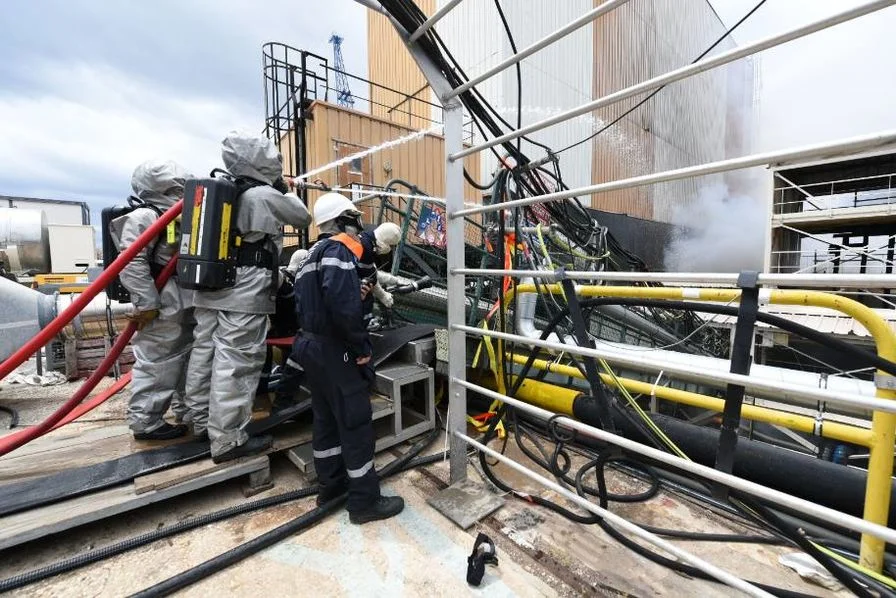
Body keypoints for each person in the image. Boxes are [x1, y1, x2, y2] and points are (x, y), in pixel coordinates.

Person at [184, 131, 311, 463]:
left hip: (210, 286)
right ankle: (228, 439)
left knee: (205, 353)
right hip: (244, 290)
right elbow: (302, 217)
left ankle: (200, 421)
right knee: (237, 361)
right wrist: (283, 188)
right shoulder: (263, 195)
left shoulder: (222, 192)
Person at [291, 192, 404, 524]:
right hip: (334, 348)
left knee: (326, 420)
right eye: (354, 221)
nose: (359, 229)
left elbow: (315, 302)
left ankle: (331, 488)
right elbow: (342, 307)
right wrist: (361, 349)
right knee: (355, 422)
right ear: (341, 222)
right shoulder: (338, 251)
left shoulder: (310, 255)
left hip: (310, 345)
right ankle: (364, 502)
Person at [111, 160, 193, 440]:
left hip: (182, 296)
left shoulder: (180, 214)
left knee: (186, 358)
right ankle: (146, 422)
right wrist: (147, 304)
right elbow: (131, 261)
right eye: (176, 187)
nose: (181, 191)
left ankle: (186, 410)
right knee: (159, 361)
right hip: (162, 299)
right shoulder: (146, 216)